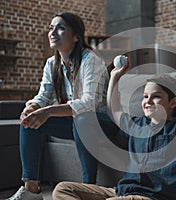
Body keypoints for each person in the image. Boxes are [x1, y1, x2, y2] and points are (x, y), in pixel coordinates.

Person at [51, 46, 176, 200]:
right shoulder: (136, 125)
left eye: (156, 96)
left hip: (150, 197)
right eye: (145, 97)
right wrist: (115, 77)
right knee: (63, 189)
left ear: (172, 103)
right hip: (120, 192)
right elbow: (115, 110)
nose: (148, 101)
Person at [7, 12, 110, 200]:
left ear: (76, 36)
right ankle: (31, 189)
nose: (53, 32)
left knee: (83, 117)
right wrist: (33, 107)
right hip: (77, 124)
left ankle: (89, 189)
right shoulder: (52, 63)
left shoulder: (91, 60)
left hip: (102, 124)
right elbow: (43, 95)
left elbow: (90, 104)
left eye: (60, 28)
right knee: (31, 122)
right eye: (51, 28)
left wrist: (48, 111)